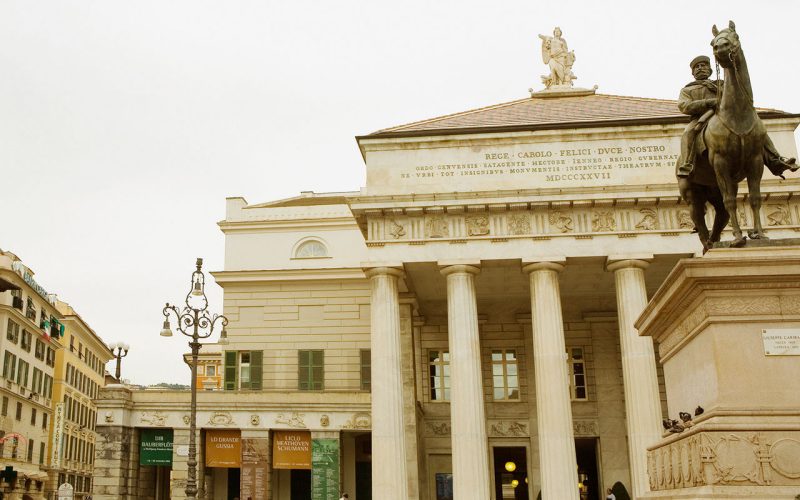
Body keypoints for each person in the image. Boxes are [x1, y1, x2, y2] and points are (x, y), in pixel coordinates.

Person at [676, 55, 797, 199]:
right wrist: (709, 102)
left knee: (757, 129)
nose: (700, 68)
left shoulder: (722, 84)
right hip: (701, 118)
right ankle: (687, 163)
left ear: (710, 69)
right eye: (697, 67)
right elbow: (684, 106)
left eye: (704, 65)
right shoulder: (688, 90)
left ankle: (775, 159)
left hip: (726, 116)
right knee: (688, 132)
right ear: (693, 73)